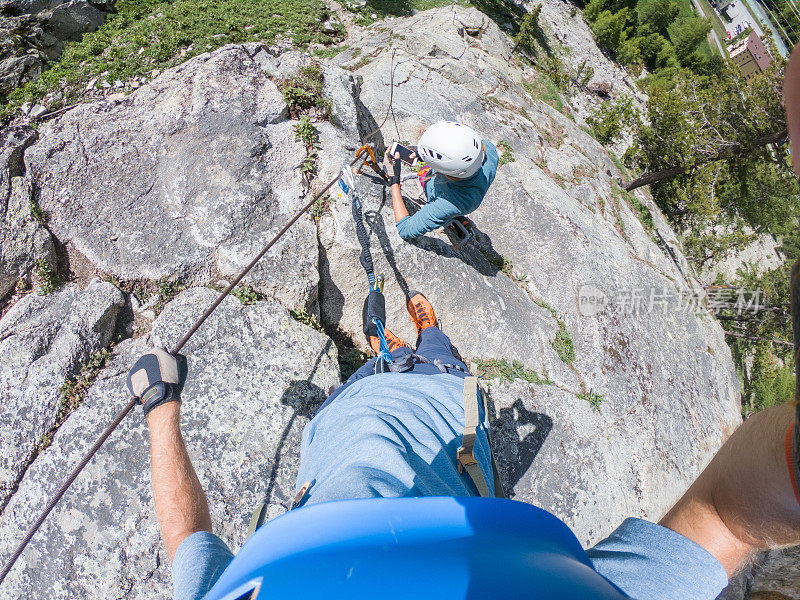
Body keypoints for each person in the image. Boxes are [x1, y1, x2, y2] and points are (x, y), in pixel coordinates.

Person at [127, 46, 800, 597]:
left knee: (396, 351)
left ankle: (393, 346)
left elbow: (731, 509)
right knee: (423, 347)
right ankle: (406, 340)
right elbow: (733, 509)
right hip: (434, 401)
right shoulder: (486, 158)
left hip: (393, 403)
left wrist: (396, 186)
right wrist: (160, 403)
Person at [384, 121, 499, 241]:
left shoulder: (448, 203)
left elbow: (405, 230)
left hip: (454, 198)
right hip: (472, 192)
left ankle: (451, 217)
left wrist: (394, 182)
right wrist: (420, 152)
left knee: (424, 174)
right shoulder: (489, 149)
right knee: (425, 174)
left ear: (446, 174)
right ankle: (456, 217)